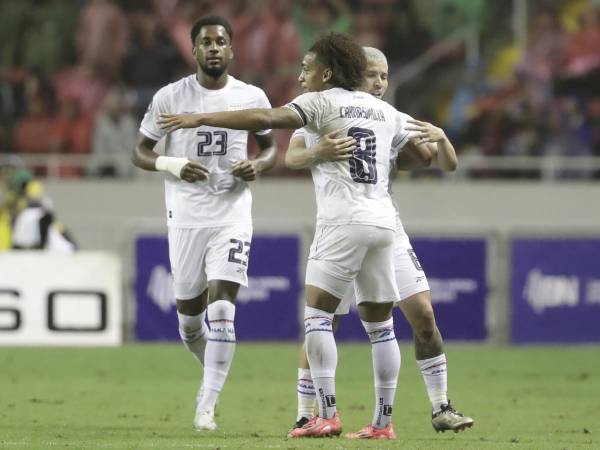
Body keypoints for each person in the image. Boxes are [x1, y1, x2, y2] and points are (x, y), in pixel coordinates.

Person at [158, 32, 416, 440]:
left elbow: (264, 119)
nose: (300, 77)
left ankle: (326, 414)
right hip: (385, 223)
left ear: (327, 73)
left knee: (318, 318)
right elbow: (427, 148)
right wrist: (439, 137)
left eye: (307, 69)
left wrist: (199, 118)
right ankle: (384, 423)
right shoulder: (383, 110)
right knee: (381, 327)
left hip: (342, 223)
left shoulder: (322, 101)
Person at [285, 47, 474, 438]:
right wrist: (319, 151)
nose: (380, 83)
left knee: (422, 315)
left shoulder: (389, 115)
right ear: (353, 75)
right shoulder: (325, 108)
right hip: (341, 226)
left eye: (385, 76)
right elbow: (292, 155)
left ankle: (440, 407)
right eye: (372, 74)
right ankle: (306, 412)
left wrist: (440, 140)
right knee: (325, 320)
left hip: (384, 228)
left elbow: (431, 159)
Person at [131, 15, 277, 432]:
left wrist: (256, 166)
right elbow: (139, 152)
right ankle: (213, 367)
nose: (214, 48)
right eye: (206, 42)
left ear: (232, 50)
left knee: (224, 310)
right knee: (190, 323)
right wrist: (172, 164)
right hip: (186, 217)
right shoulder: (170, 97)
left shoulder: (251, 97)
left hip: (231, 215)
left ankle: (206, 406)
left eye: (221, 42)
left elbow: (269, 149)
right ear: (193, 50)